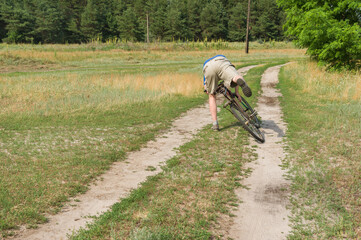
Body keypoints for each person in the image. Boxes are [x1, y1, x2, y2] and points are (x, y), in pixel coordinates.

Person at [203, 55, 252, 131]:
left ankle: (215, 124)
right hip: (221, 62)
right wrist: (237, 92)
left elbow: (205, 86)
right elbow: (234, 72)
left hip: (208, 67)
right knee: (235, 77)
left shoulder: (206, 63)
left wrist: (207, 90)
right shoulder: (223, 57)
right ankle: (244, 114)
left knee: (211, 95)